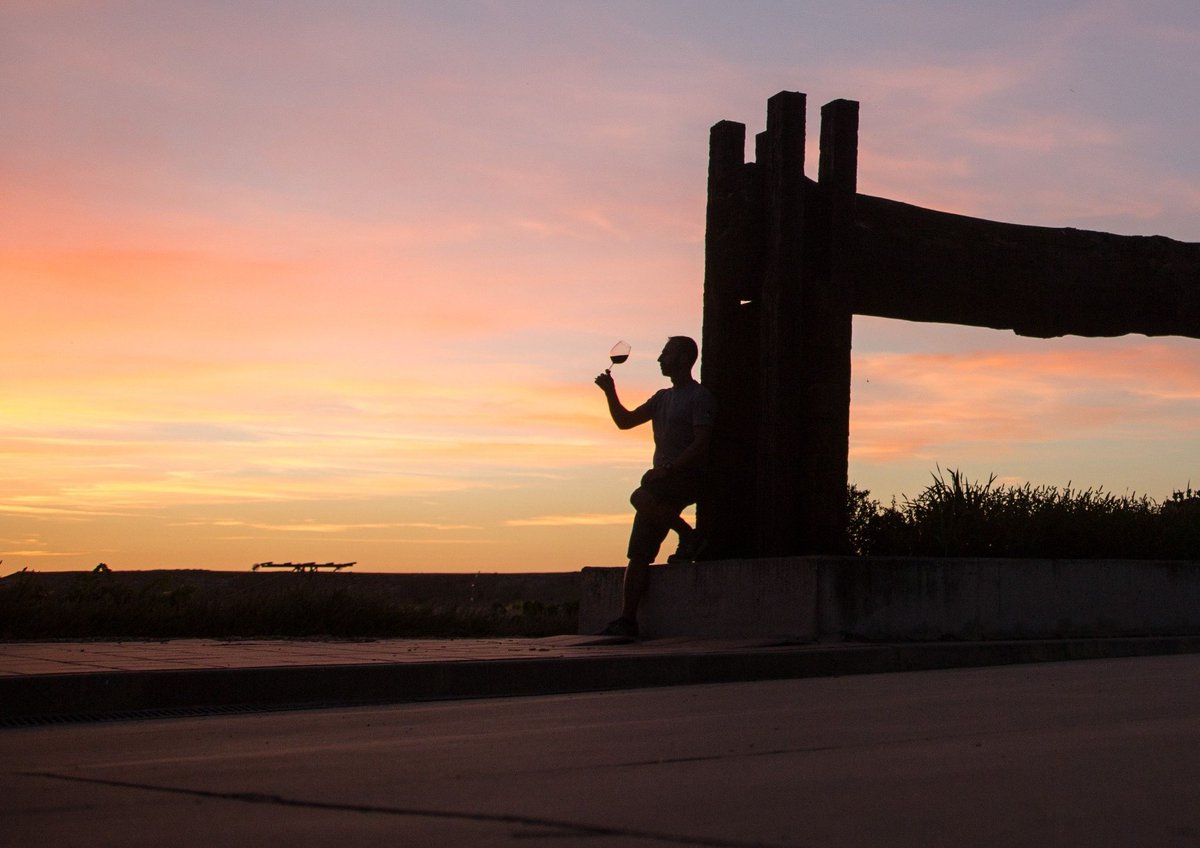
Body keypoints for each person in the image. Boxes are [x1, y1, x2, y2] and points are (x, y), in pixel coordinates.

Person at [593, 335, 716, 637]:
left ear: (685, 359)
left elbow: (702, 444)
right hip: (662, 483)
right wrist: (610, 392)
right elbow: (625, 421)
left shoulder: (700, 398)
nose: (660, 359)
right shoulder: (661, 398)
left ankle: (689, 535)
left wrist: (670, 469)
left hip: (687, 477)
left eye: (666, 353)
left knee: (638, 495)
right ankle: (627, 620)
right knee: (638, 553)